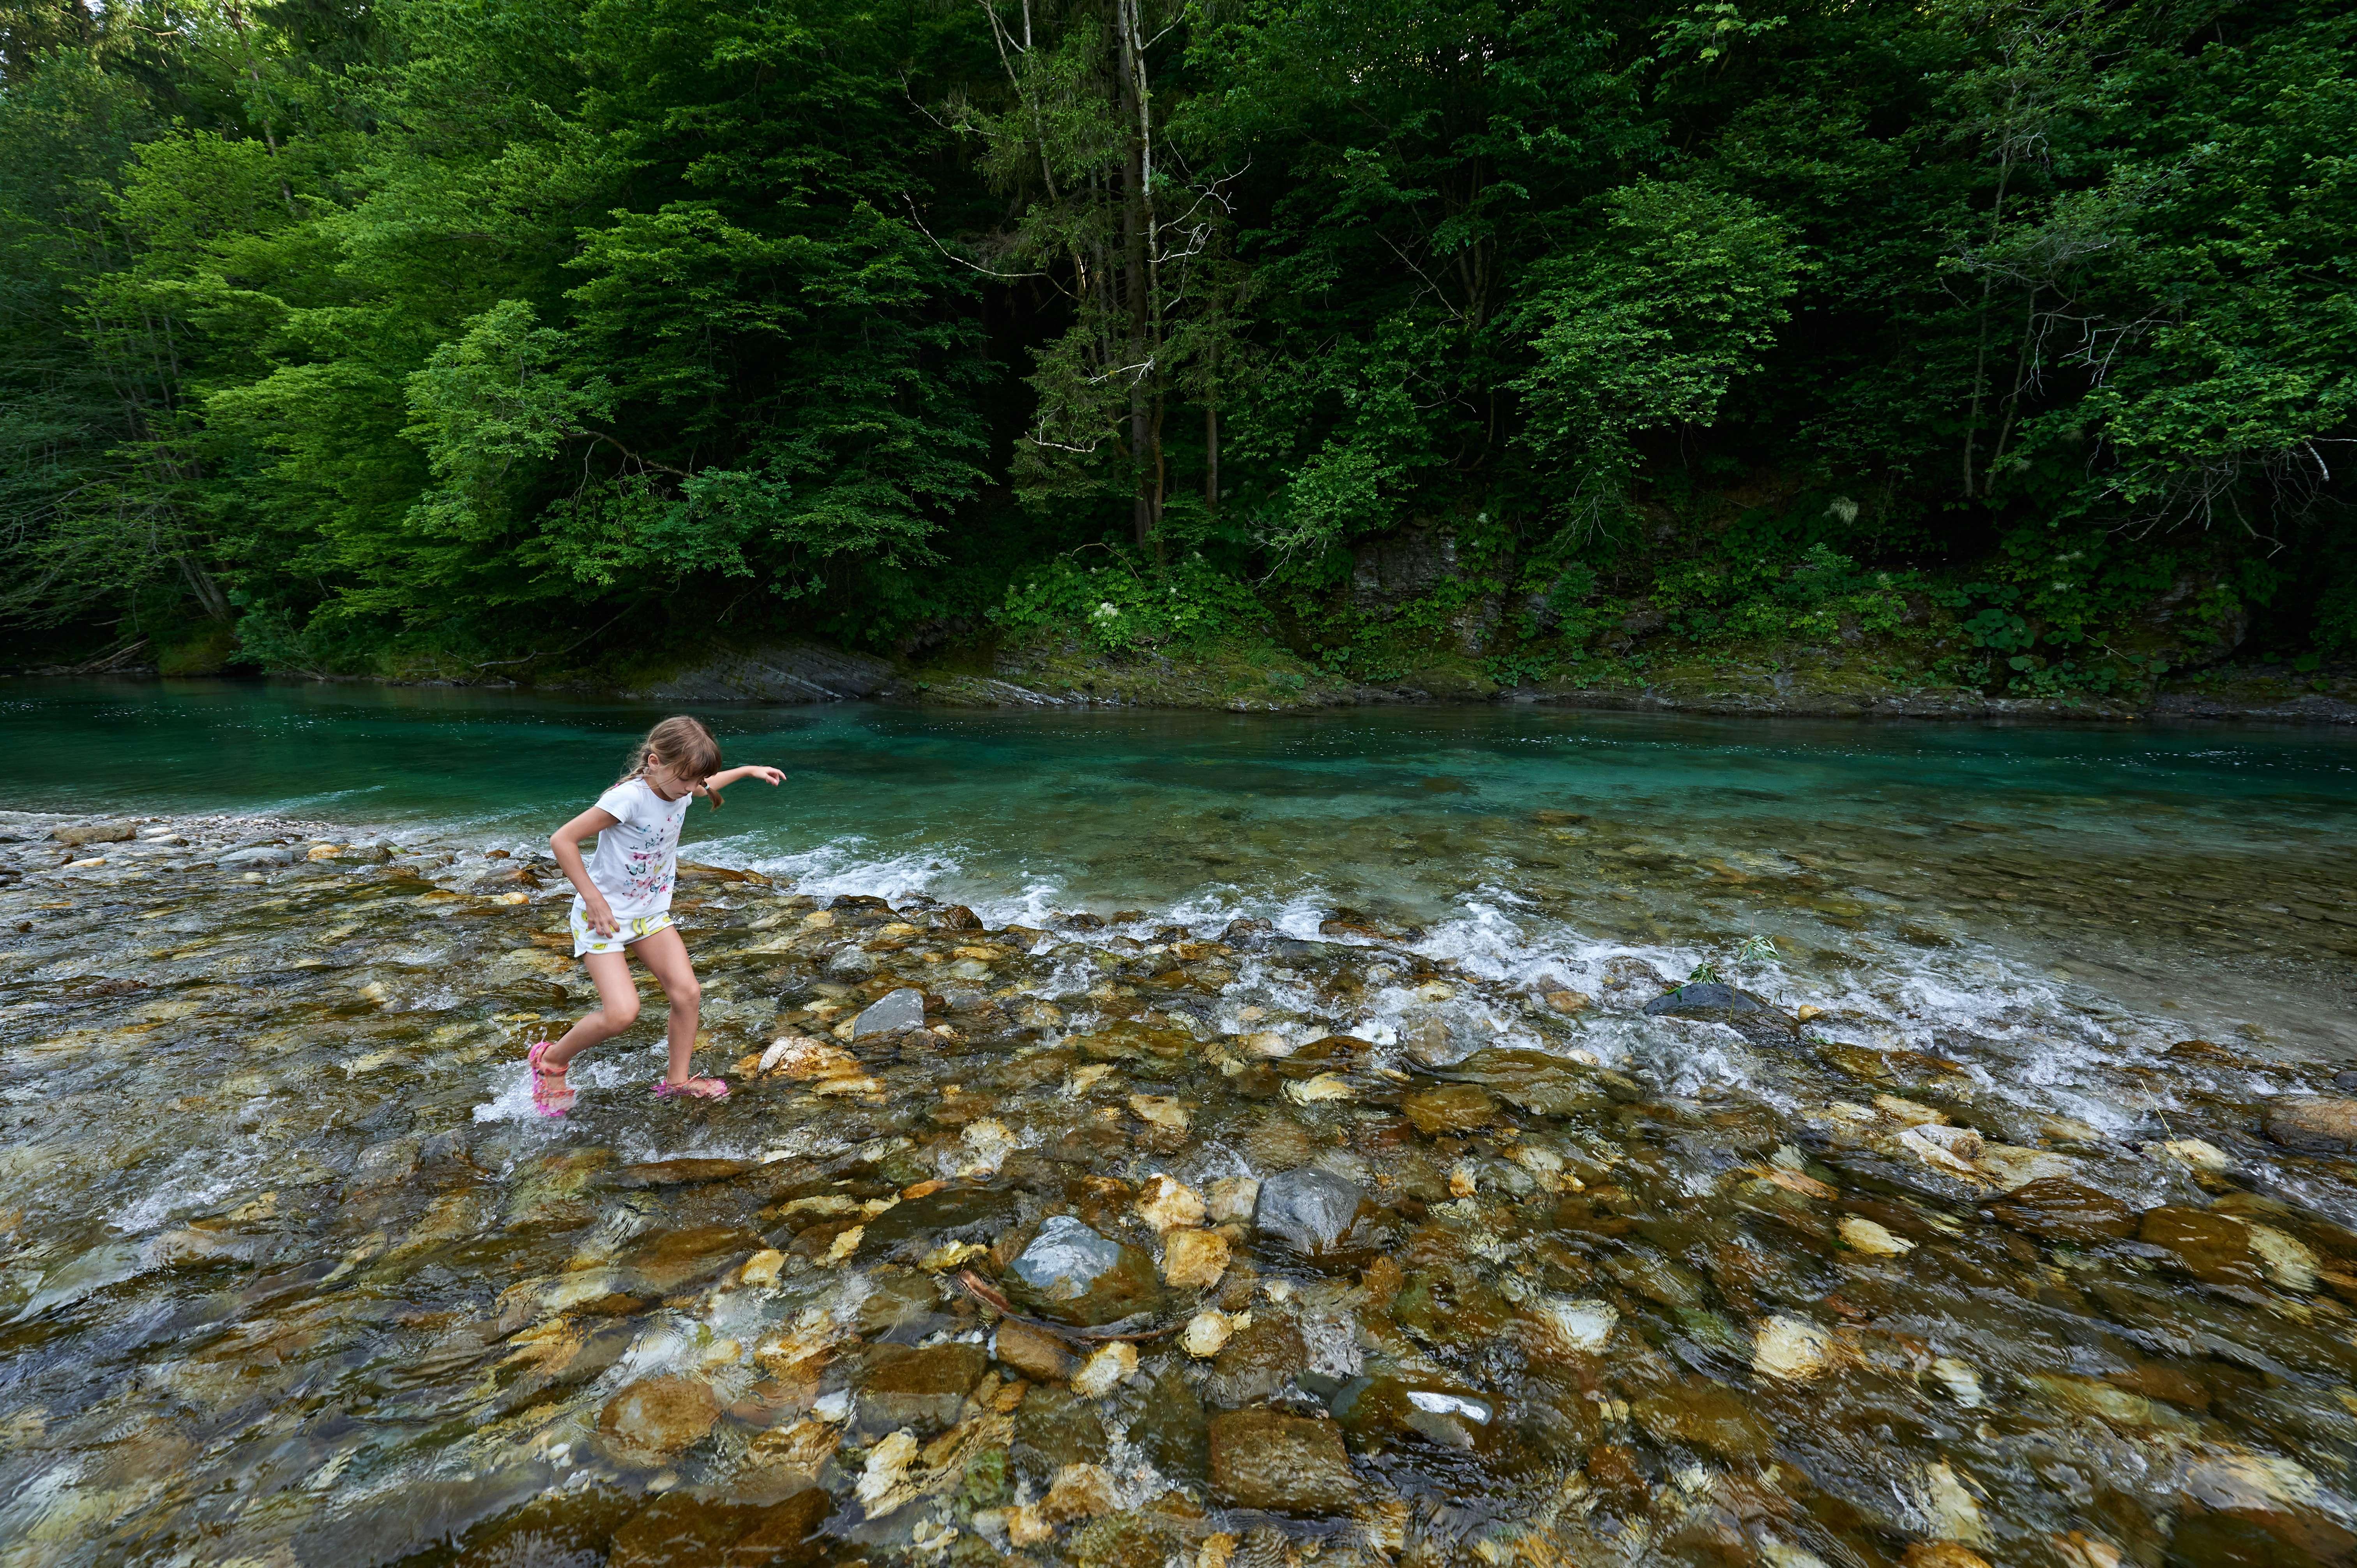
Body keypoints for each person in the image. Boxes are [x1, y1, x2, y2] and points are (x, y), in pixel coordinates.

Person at [526, 716, 783, 1114]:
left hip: (650, 915)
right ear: (655, 761)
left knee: (688, 993)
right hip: (604, 917)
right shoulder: (627, 799)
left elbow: (703, 785)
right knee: (622, 1013)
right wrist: (592, 898)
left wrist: (749, 770)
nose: (693, 789)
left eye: (700, 780)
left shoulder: (680, 785)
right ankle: (551, 1061)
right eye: (688, 779)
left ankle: (677, 1082)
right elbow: (562, 839)